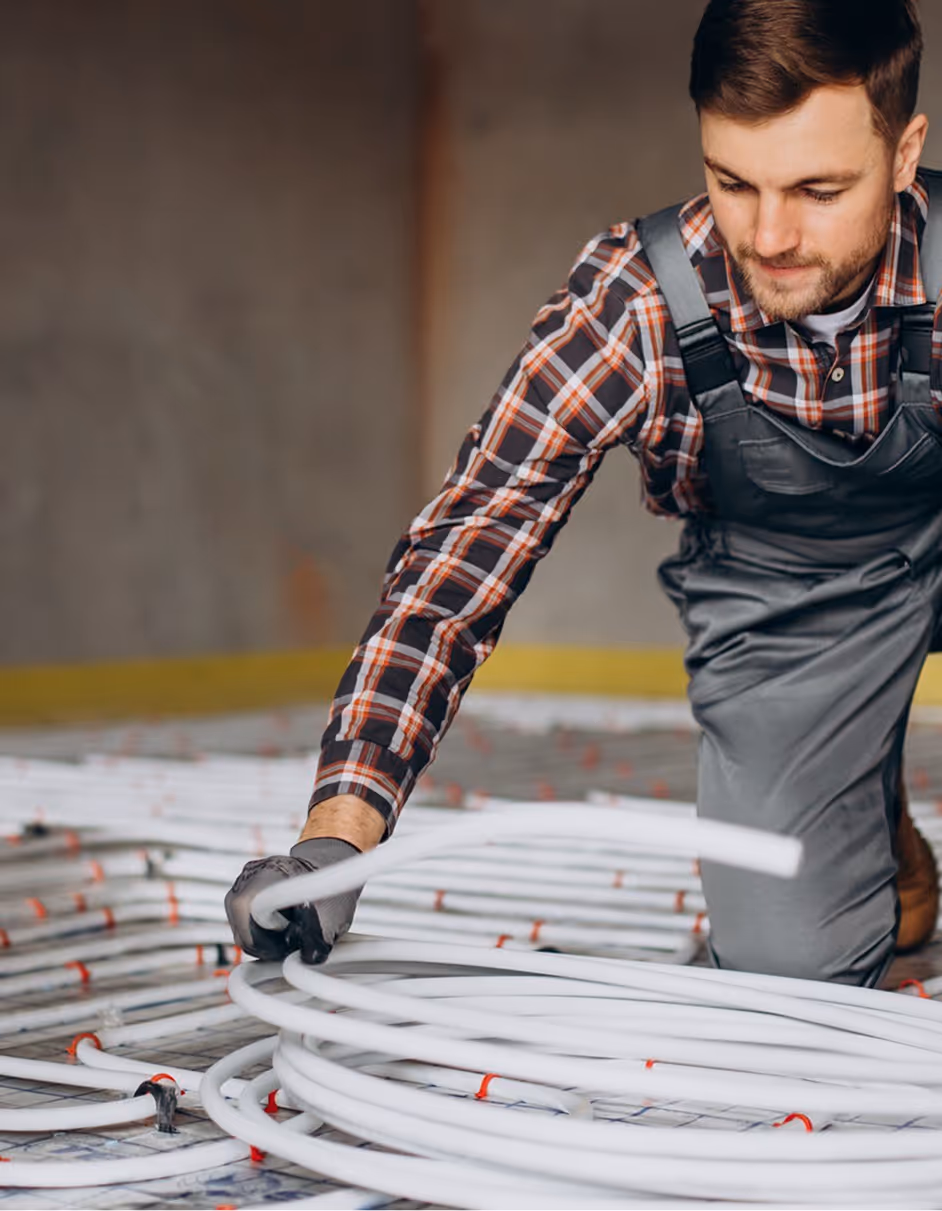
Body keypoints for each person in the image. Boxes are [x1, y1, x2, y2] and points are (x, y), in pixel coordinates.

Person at [226, 0, 941, 988]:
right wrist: (339, 834)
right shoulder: (640, 298)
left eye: (819, 189)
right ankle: (863, 808)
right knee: (788, 971)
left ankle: (851, 776)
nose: (770, 234)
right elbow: (472, 541)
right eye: (734, 182)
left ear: (906, 156)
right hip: (791, 609)